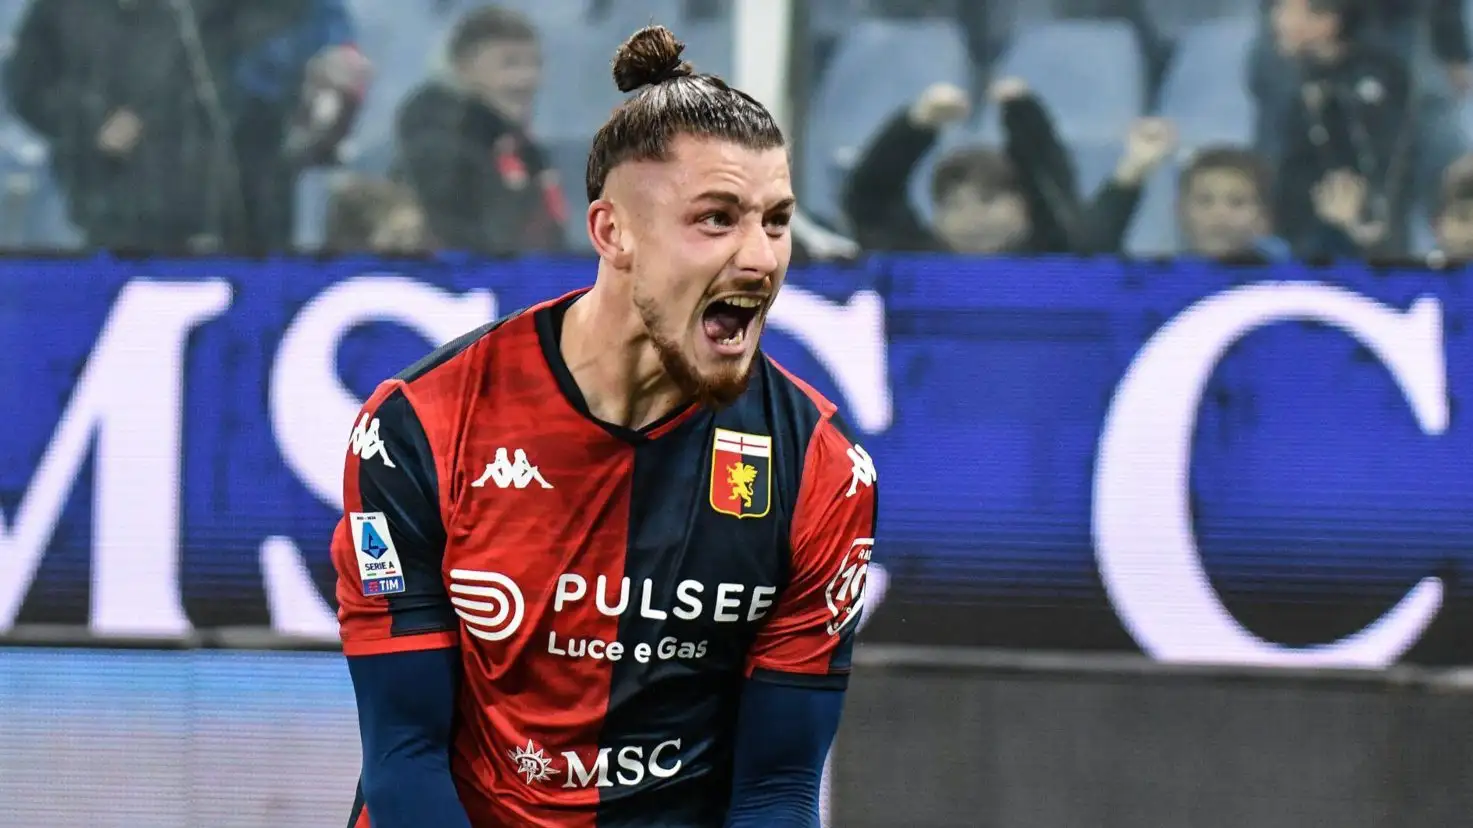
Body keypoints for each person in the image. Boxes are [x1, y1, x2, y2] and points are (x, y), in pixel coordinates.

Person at [331, 24, 878, 828]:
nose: (761, 259)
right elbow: (404, 754)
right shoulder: (420, 425)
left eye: (775, 219)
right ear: (611, 232)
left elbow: (777, 790)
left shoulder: (819, 471)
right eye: (717, 219)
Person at [394, 4, 567, 254]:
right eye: (510, 64)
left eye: (535, 63)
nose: (527, 79)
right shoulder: (436, 154)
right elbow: (470, 254)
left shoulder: (523, 151)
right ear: (463, 67)